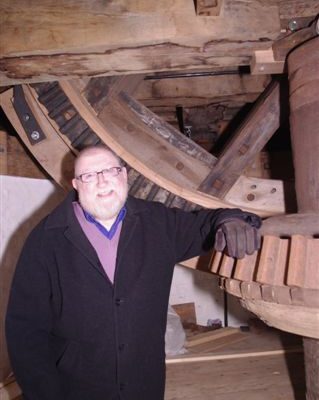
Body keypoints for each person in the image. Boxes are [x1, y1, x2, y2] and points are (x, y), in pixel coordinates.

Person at [5, 145, 262, 400]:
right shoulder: (45, 240)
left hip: (144, 388)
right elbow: (25, 331)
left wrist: (232, 221)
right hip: (75, 389)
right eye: (89, 175)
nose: (102, 181)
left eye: (110, 170)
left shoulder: (158, 223)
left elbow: (205, 224)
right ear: (76, 184)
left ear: (124, 175)